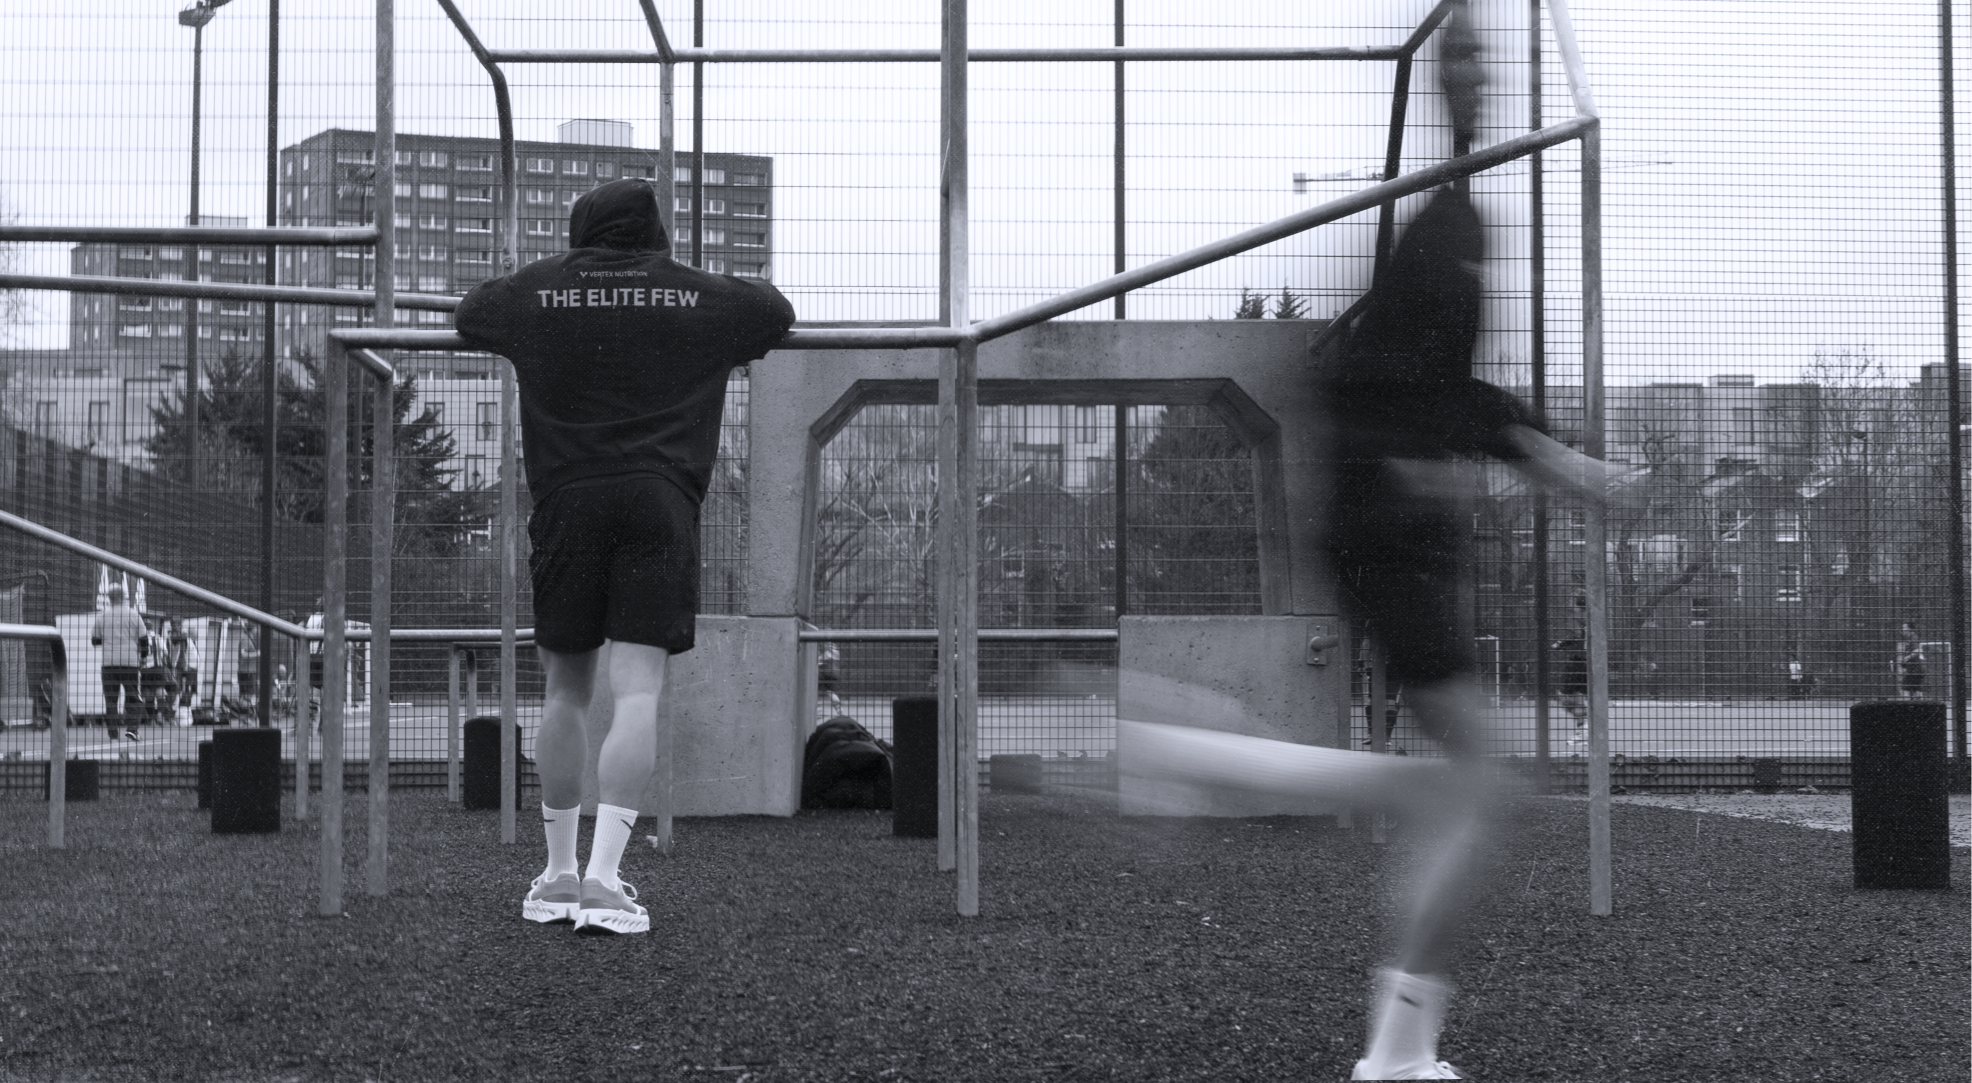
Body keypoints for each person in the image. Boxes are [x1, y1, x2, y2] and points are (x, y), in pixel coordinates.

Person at [455, 177, 796, 935]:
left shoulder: (543, 289)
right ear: (654, 234)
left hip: (568, 500)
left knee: (566, 692)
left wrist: (552, 286)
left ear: (583, 233)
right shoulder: (692, 293)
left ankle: (557, 875)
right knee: (637, 692)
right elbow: (774, 310)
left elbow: (474, 313)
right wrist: (684, 286)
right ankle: (607, 879)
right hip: (658, 498)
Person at [89, 583, 146, 742]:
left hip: (108, 664)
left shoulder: (102, 616)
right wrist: (143, 656)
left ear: (109, 599)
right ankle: (132, 730)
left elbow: (94, 640)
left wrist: (109, 638)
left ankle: (113, 734)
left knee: (111, 700)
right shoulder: (134, 615)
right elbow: (144, 639)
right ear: (124, 598)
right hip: (130, 662)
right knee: (133, 697)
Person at [1896, 622, 1926, 699]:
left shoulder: (1913, 636)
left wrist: (1907, 658)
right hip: (1916, 669)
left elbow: (1917, 650)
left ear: (1909, 629)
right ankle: (1920, 705)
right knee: (1916, 688)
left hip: (1915, 669)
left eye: (1904, 627)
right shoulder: (1909, 638)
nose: (1902, 629)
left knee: (1905, 688)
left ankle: (1907, 705)